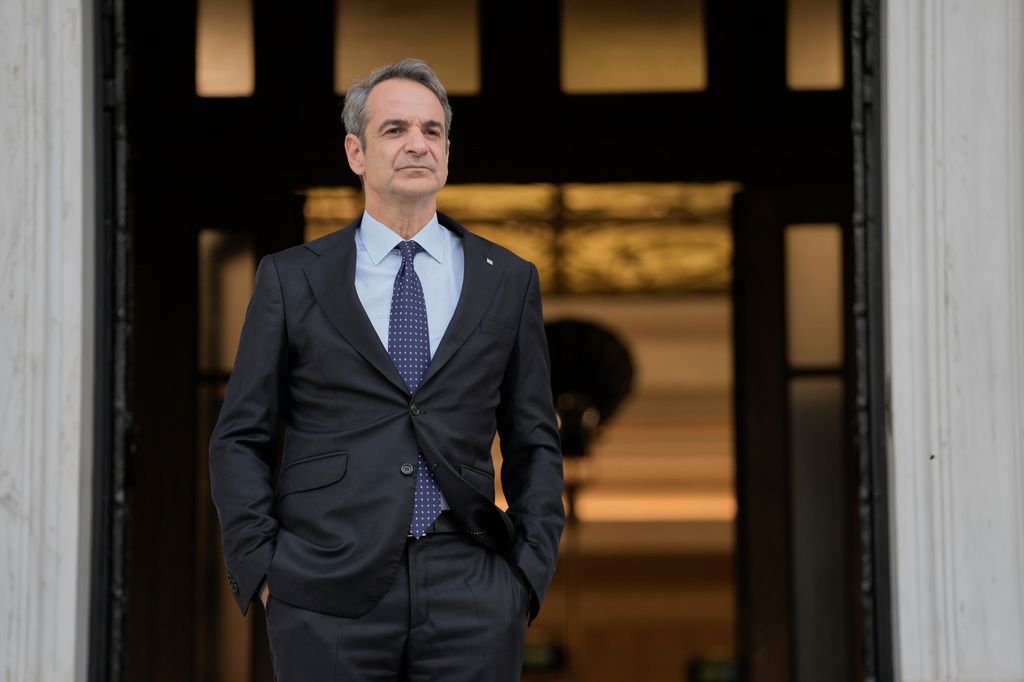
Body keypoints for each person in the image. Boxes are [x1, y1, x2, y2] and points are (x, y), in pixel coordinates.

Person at [209, 58, 565, 681]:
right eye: (395, 130)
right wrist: (264, 568)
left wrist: (525, 576)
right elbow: (241, 437)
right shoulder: (292, 278)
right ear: (356, 152)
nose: (417, 145)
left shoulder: (508, 279)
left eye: (432, 131)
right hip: (322, 585)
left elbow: (534, 439)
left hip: (473, 585)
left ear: (448, 154)